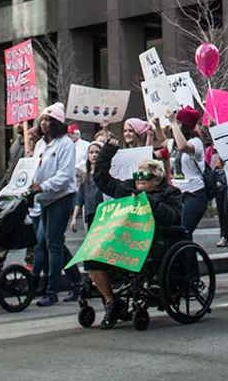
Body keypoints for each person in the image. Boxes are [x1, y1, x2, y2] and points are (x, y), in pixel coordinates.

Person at [90, 147, 183, 329]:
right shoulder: (128, 188)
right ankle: (111, 301)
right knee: (92, 258)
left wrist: (146, 199)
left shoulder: (170, 193)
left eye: (145, 177)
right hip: (123, 240)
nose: (139, 179)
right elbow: (101, 178)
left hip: (152, 243)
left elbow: (171, 216)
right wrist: (108, 151)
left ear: (156, 180)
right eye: (137, 175)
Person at [29, 103, 81, 306]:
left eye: (49, 120)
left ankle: (52, 290)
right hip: (44, 200)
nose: (44, 124)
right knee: (51, 242)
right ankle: (78, 282)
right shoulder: (41, 145)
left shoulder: (65, 144)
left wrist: (43, 186)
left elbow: (65, 175)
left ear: (58, 124)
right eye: (42, 120)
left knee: (53, 242)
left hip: (61, 198)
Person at [167, 106, 209, 236]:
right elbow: (163, 141)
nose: (174, 126)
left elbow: (183, 146)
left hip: (194, 193)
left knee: (184, 231)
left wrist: (173, 122)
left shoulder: (196, 142)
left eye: (179, 123)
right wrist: (156, 126)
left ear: (185, 126)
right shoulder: (173, 143)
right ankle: (188, 256)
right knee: (178, 234)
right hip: (177, 194)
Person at [71, 141, 105, 232]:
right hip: (89, 212)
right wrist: (74, 218)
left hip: (103, 212)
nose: (94, 155)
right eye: (91, 152)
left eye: (97, 152)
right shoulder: (85, 176)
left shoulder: (104, 174)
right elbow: (80, 198)